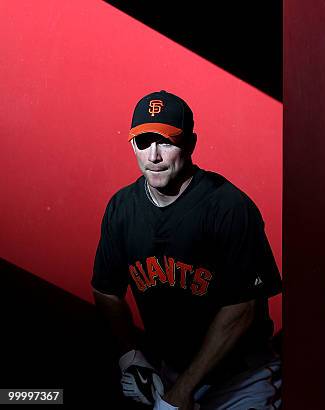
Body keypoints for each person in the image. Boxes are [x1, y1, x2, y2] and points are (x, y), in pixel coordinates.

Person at [91, 90, 282, 410]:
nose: (154, 156)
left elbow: (243, 308)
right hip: (171, 374)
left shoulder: (228, 206)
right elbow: (106, 290)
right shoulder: (122, 208)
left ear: (191, 144)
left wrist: (181, 392)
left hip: (240, 381)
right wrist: (130, 353)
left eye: (166, 141)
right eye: (143, 142)